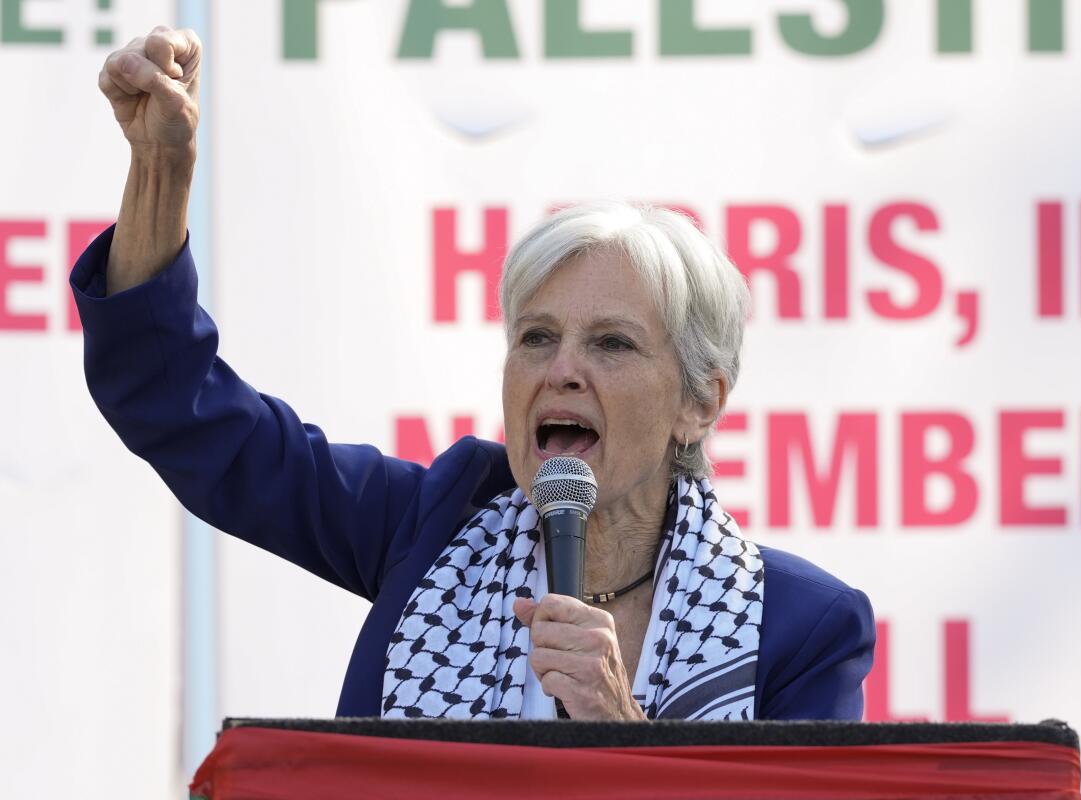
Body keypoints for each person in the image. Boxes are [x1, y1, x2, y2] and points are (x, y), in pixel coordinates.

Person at [77, 26, 874, 721]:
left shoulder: (803, 628)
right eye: (536, 337)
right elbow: (180, 409)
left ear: (700, 402)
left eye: (611, 345)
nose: (561, 370)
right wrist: (161, 168)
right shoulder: (429, 524)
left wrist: (619, 723)